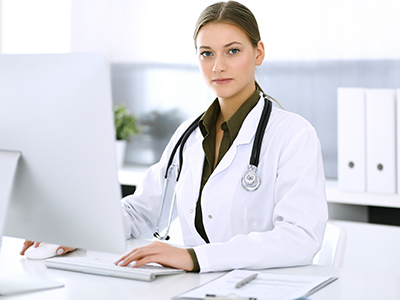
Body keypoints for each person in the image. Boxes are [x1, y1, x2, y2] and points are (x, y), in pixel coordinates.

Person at [21, 0, 328, 273]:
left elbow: (300, 237)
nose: (218, 66)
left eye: (233, 51)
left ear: (258, 52)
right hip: (200, 289)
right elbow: (140, 211)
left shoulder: (293, 135)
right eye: (207, 53)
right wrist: (71, 231)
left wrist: (195, 258)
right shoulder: (188, 136)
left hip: (266, 288)